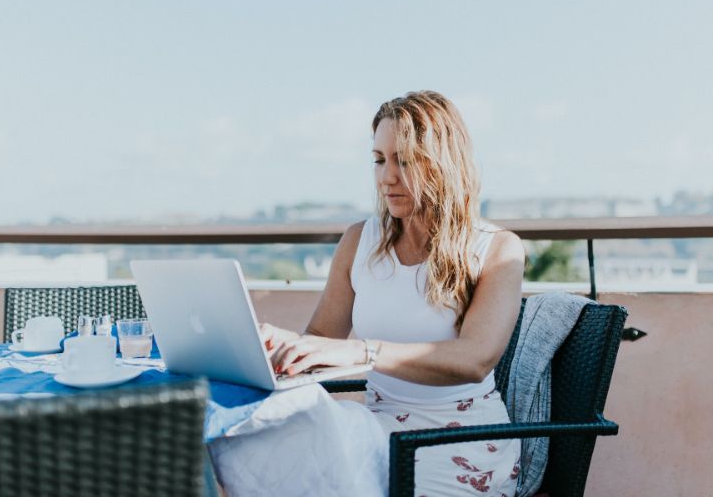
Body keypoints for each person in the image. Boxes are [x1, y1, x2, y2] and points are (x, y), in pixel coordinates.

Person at [211, 90, 523, 497]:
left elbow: (475, 359)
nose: (386, 177)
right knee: (260, 453)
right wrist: (284, 349)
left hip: (461, 442)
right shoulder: (360, 240)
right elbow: (323, 340)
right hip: (376, 430)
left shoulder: (497, 249)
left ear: (444, 164)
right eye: (379, 160)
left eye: (405, 161)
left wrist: (364, 353)